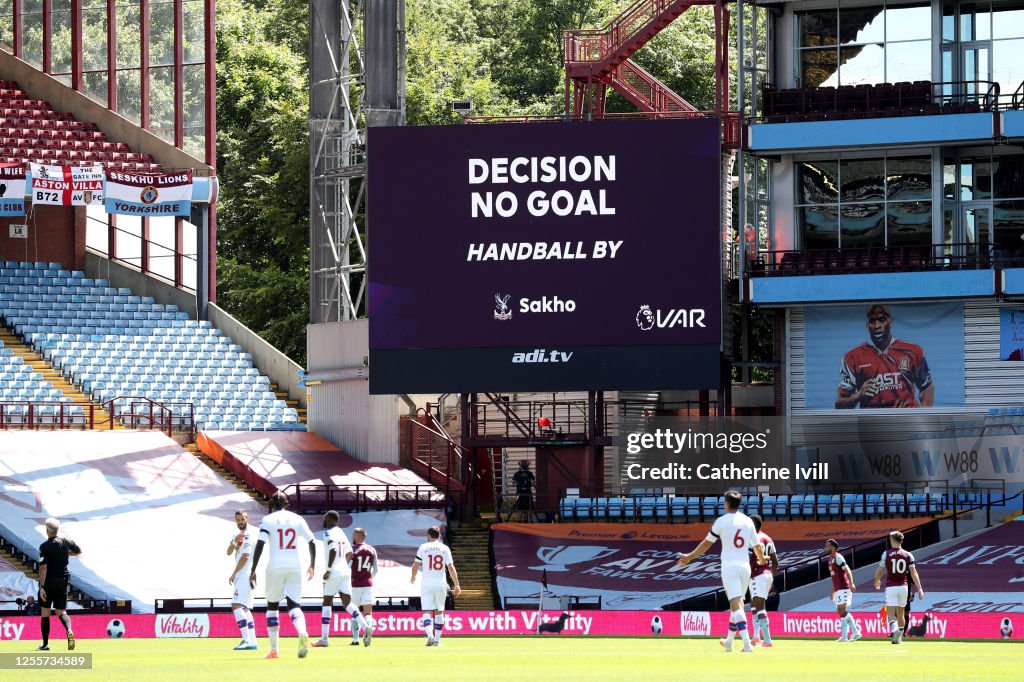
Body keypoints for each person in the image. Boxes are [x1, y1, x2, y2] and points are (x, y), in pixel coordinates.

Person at [677, 491, 765, 653]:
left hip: (729, 567)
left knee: (737, 604)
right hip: (745, 567)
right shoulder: (747, 521)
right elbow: (757, 547)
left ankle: (747, 644)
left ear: (726, 503)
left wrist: (689, 557)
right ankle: (728, 642)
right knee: (735, 606)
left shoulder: (721, 522)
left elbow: (706, 544)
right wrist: (761, 560)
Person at [250, 491, 316, 659]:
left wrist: (253, 569)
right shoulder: (298, 519)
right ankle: (302, 632)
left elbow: (260, 544)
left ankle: (274, 649)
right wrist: (312, 565)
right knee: (294, 605)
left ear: (272, 504)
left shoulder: (268, 520)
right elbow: (312, 541)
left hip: (275, 566)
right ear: (287, 504)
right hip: (295, 566)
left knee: (272, 606)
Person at [835, 304, 934, 409]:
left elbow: (927, 386)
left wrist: (924, 415)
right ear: (867, 325)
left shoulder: (913, 351)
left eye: (882, 320)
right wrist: (858, 396)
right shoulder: (852, 358)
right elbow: (839, 404)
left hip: (906, 421)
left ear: (890, 322)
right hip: (873, 422)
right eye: (872, 321)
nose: (877, 326)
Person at [311, 511, 369, 648]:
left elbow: (332, 550)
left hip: (334, 572)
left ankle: (324, 639)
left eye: (325, 518)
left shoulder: (328, 533)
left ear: (330, 519)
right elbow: (350, 553)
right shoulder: (341, 532)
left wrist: (330, 569)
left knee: (326, 603)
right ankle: (365, 626)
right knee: (347, 603)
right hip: (344, 571)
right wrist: (343, 564)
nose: (323, 520)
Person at [411, 525, 462, 647]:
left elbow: (416, 564)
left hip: (427, 584)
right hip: (440, 584)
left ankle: (430, 636)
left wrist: (413, 577)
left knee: (426, 612)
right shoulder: (445, 548)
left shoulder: (423, 547)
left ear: (428, 536)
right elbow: (450, 567)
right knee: (439, 612)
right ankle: (437, 640)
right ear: (439, 536)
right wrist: (457, 585)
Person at [37, 517, 81, 651]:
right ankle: (69, 630)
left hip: (49, 581)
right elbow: (78, 551)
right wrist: (66, 554)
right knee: (61, 611)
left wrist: (42, 587)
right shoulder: (65, 542)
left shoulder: (44, 546)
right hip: (63, 580)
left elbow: (43, 567)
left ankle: (45, 644)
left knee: (45, 612)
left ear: (47, 530)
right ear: (57, 530)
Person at [873, 531, 924, 645]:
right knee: (901, 613)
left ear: (893, 540)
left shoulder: (886, 554)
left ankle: (895, 630)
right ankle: (899, 637)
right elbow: (913, 572)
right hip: (904, 587)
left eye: (890, 539)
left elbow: (880, 570)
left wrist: (877, 580)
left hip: (891, 587)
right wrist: (920, 588)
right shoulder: (908, 555)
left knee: (891, 613)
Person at [226, 509, 258, 651]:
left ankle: (246, 640)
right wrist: (234, 541)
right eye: (238, 520)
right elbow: (228, 552)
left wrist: (233, 574)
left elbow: (245, 556)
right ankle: (253, 641)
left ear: (247, 519)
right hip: (243, 575)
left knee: (236, 605)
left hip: (244, 574)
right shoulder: (237, 535)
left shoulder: (249, 535)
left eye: (243, 519)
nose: (240, 522)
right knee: (245, 608)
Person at [747, 515, 778, 647]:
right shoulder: (768, 538)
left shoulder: (752, 539)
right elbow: (775, 562)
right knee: (754, 605)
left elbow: (748, 561)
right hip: (767, 575)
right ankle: (755, 637)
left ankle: (767, 640)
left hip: (756, 574)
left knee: (759, 607)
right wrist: (771, 580)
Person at [825, 538, 861, 642]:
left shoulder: (838, 558)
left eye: (827, 546)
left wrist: (852, 583)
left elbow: (848, 570)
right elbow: (834, 577)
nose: (825, 548)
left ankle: (856, 632)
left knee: (841, 610)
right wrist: (833, 591)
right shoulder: (830, 560)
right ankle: (844, 637)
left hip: (844, 587)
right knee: (840, 611)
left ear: (833, 547)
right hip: (838, 589)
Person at [348, 528, 378, 646]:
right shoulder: (372, 549)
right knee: (368, 613)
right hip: (367, 584)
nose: (352, 537)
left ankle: (356, 639)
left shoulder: (352, 549)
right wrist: (369, 577)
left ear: (357, 536)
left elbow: (348, 566)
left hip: (354, 584)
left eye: (353, 535)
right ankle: (368, 629)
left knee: (354, 612)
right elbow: (376, 569)